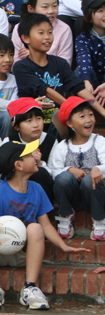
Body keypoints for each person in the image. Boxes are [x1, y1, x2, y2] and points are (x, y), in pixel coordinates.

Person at [0, 140, 90, 309]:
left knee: (35, 227)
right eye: (30, 155)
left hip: (23, 254)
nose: (35, 157)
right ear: (19, 165)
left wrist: (63, 246)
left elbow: (45, 225)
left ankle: (30, 287)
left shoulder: (36, 188)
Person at [14, 12, 105, 137]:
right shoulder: (21, 66)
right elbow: (45, 90)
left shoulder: (59, 63)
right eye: (41, 33)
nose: (47, 37)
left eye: (50, 32)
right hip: (32, 117)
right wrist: (71, 108)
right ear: (25, 38)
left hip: (58, 116)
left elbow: (79, 88)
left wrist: (103, 111)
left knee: (61, 117)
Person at [49, 97, 105, 240]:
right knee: (63, 178)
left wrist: (98, 168)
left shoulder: (99, 141)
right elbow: (52, 170)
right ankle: (66, 215)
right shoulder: (62, 146)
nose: (89, 120)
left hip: (94, 194)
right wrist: (68, 169)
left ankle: (99, 219)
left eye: (91, 114)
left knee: (89, 180)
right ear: (69, 123)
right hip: (71, 196)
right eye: (82, 116)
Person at [5, 97, 57, 201]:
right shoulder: (9, 141)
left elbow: (55, 170)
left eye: (38, 118)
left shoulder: (50, 141)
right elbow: (2, 167)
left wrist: (39, 164)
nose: (35, 125)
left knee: (41, 172)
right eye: (29, 121)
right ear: (16, 126)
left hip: (42, 189)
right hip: (16, 190)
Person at [12, 0, 74, 65]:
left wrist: (35, 55)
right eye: (45, 7)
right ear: (31, 8)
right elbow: (15, 64)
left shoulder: (64, 29)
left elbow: (65, 65)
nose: (51, 11)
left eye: (55, 6)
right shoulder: (19, 28)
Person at [75, 0, 105, 97]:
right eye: (100, 10)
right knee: (79, 72)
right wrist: (86, 80)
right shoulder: (83, 39)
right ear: (88, 18)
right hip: (95, 85)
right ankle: (87, 109)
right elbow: (84, 59)